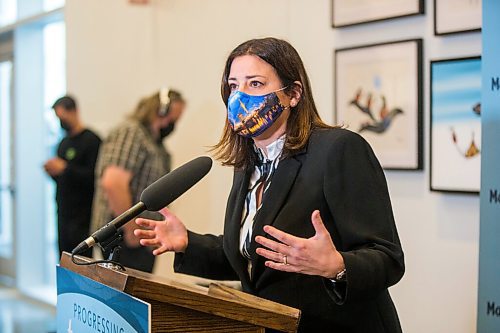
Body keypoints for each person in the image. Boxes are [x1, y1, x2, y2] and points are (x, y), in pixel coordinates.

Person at [134, 38, 405, 332]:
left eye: (255, 84)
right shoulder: (250, 163)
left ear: (293, 94)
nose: (239, 97)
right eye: (234, 86)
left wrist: (336, 265)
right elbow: (259, 258)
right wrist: (189, 242)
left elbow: (387, 258)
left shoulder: (339, 149)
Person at [91, 88, 186, 273]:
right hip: (124, 238)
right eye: (173, 118)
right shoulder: (132, 133)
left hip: (139, 239)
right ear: (161, 111)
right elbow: (113, 183)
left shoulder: (155, 144)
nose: (173, 124)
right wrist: (130, 229)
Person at [44, 95, 101, 258]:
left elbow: (94, 177)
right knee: (63, 257)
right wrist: (53, 172)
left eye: (62, 117)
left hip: (83, 215)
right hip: (63, 212)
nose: (60, 122)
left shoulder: (91, 141)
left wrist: (66, 168)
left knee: (81, 260)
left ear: (74, 111)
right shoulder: (63, 143)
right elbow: (63, 180)